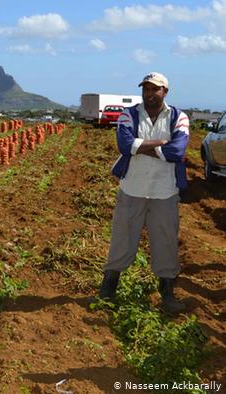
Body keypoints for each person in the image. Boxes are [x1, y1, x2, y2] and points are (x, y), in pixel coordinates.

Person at [99, 72, 190, 313]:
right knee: (122, 238)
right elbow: (124, 145)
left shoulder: (179, 117)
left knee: (166, 241)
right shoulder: (128, 115)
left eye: (155, 89)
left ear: (165, 92)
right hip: (133, 188)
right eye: (146, 89)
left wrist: (140, 146)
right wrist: (161, 144)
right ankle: (107, 290)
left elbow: (177, 151)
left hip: (164, 191)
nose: (150, 93)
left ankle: (167, 295)